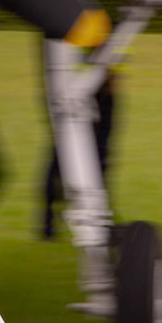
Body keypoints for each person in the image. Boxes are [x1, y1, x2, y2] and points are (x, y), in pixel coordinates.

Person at [39, 66, 115, 242]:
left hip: (101, 85)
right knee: (64, 155)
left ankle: (97, 216)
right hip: (77, 86)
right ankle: (48, 220)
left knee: (98, 157)